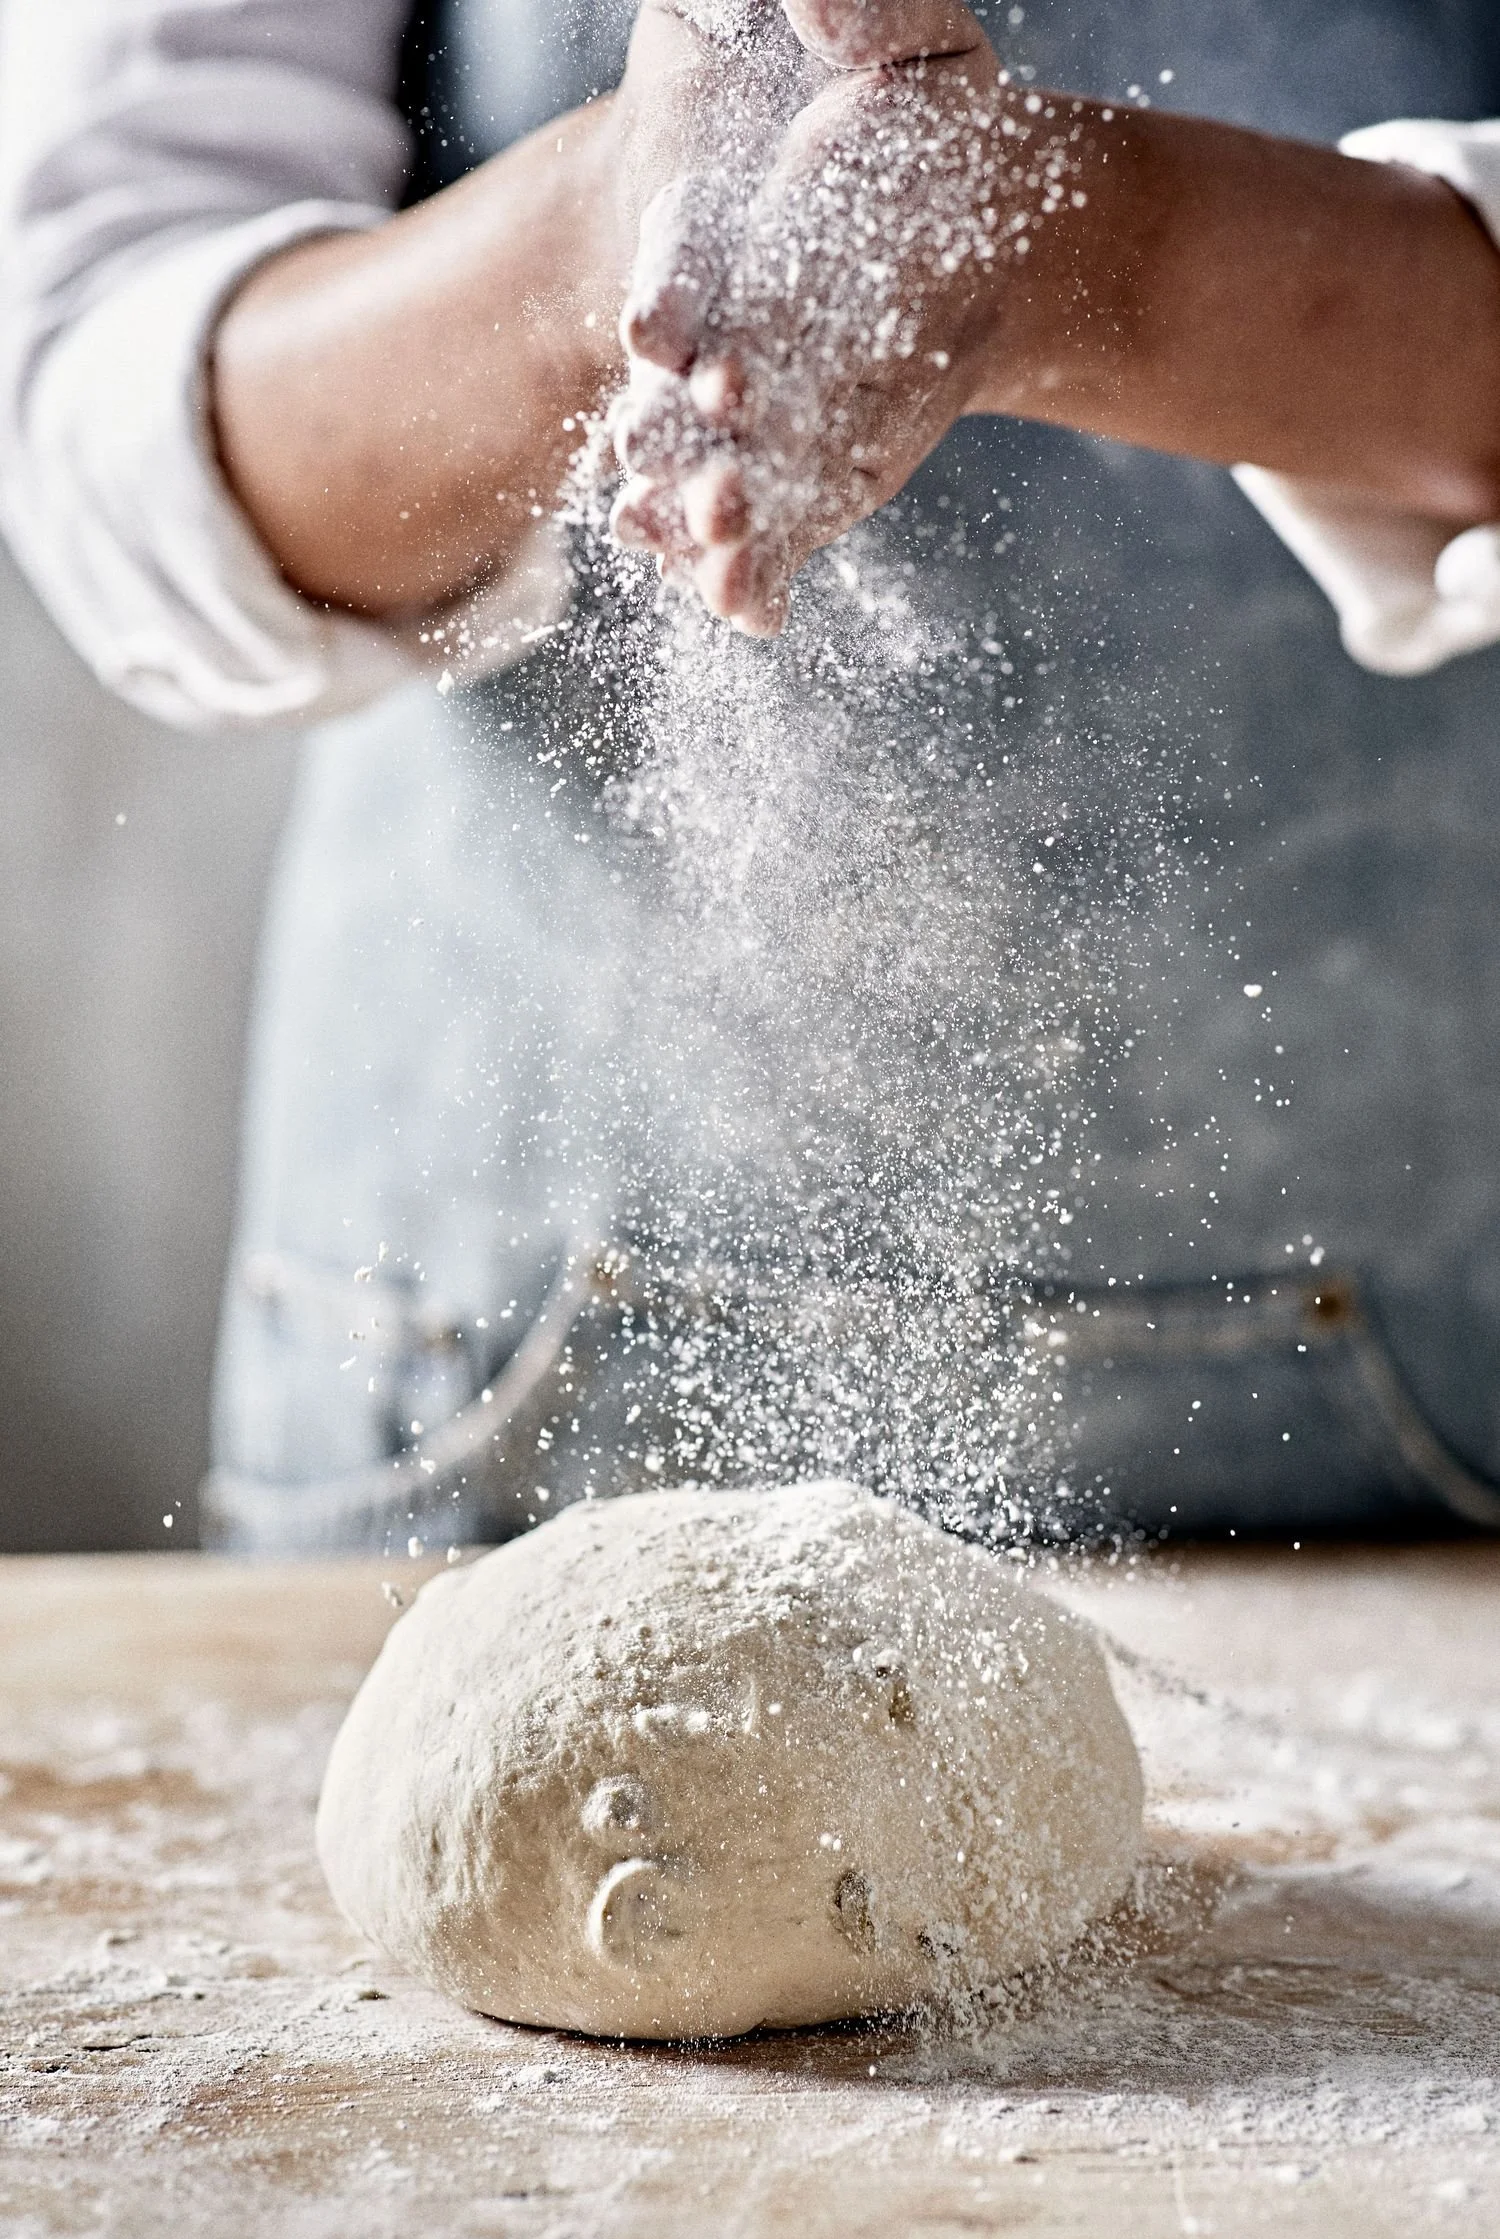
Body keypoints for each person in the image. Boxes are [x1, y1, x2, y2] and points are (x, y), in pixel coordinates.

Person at [2, 0, 1498, 1550]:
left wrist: (1062, 244)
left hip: (1436, 1368)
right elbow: (112, 400)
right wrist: (608, 234)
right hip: (486, 1370)